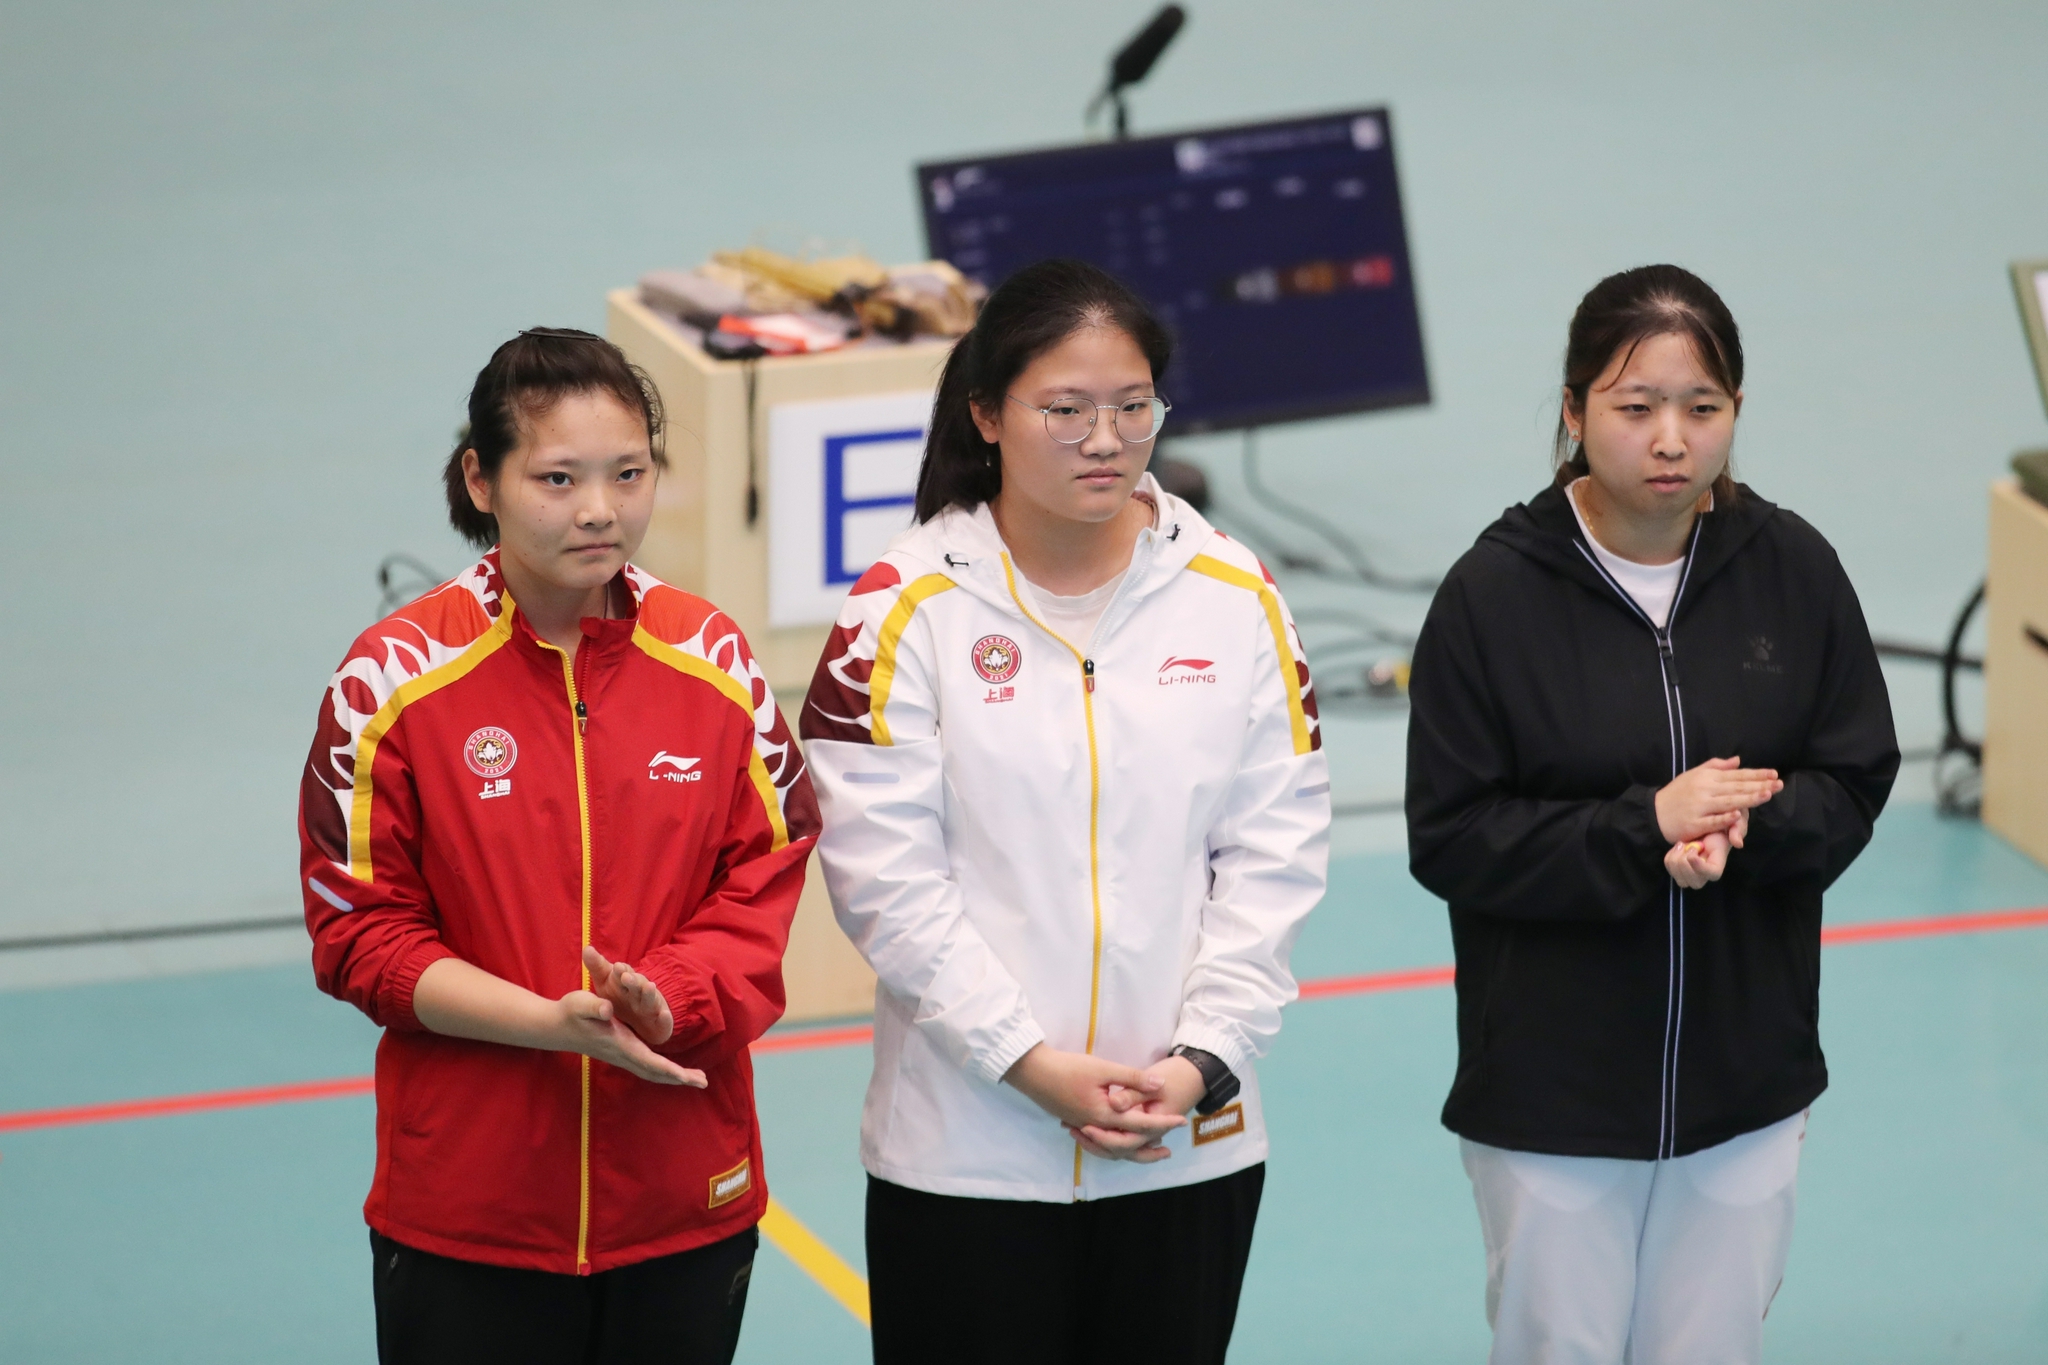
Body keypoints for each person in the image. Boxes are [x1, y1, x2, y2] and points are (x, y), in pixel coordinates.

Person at [801, 259, 1331, 1364]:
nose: (1105, 439)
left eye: (1132, 407)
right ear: (987, 415)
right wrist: (1026, 1065)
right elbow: (884, 883)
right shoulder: (902, 610)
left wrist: (1201, 1060)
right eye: (1066, 410)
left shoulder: (1236, 596)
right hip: (963, 1156)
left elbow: (1274, 853)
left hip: (1183, 1140)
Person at [1405, 265, 1900, 1364]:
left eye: (1701, 409)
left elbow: (1854, 775)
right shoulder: (1490, 600)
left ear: (1734, 415)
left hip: (1746, 1090)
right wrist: (1641, 829)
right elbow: (1451, 835)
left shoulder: (1793, 570)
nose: (1669, 440)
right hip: (1549, 1106)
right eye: (1633, 409)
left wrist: (1737, 831)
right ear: (1574, 413)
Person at [297, 327, 818, 1365]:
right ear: (479, 480)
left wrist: (666, 997)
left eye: (629, 473)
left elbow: (764, 872)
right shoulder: (389, 681)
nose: (599, 509)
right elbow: (359, 931)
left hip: (683, 1201)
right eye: (557, 477)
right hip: (471, 1215)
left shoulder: (714, 659)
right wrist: (544, 1022)